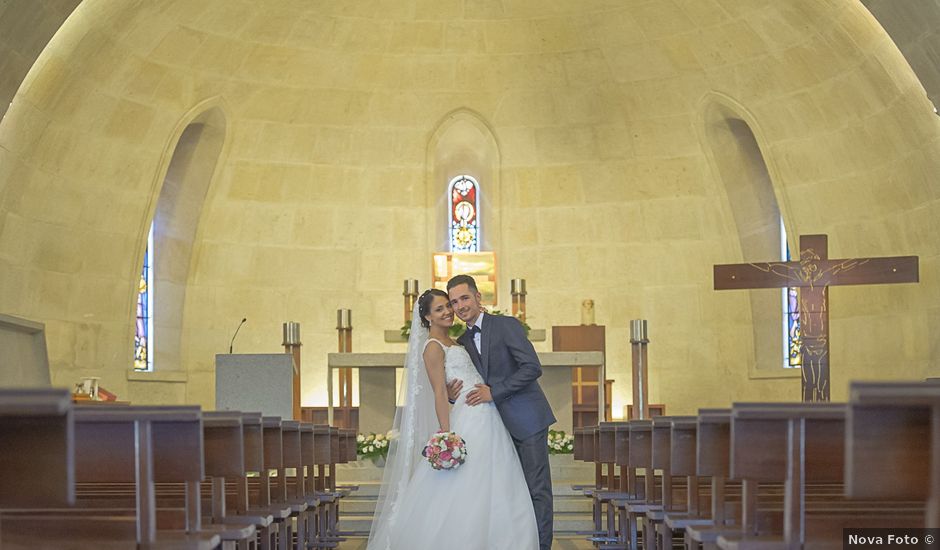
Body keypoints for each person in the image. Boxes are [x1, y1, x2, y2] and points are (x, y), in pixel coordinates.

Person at [366, 288, 538, 550]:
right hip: (468, 418)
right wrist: (447, 434)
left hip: (487, 414)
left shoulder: (458, 341)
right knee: (469, 485)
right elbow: (438, 392)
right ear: (426, 317)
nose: (448, 311)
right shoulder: (433, 347)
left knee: (494, 481)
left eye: (449, 305)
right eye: (440, 309)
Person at [446, 274, 556, 550]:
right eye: (454, 301)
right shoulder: (462, 341)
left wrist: (495, 392)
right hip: (494, 427)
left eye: (464, 298)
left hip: (527, 419)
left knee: (537, 490)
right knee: (511, 494)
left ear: (478, 297)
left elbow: (532, 367)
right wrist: (451, 396)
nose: (460, 306)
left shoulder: (505, 325)